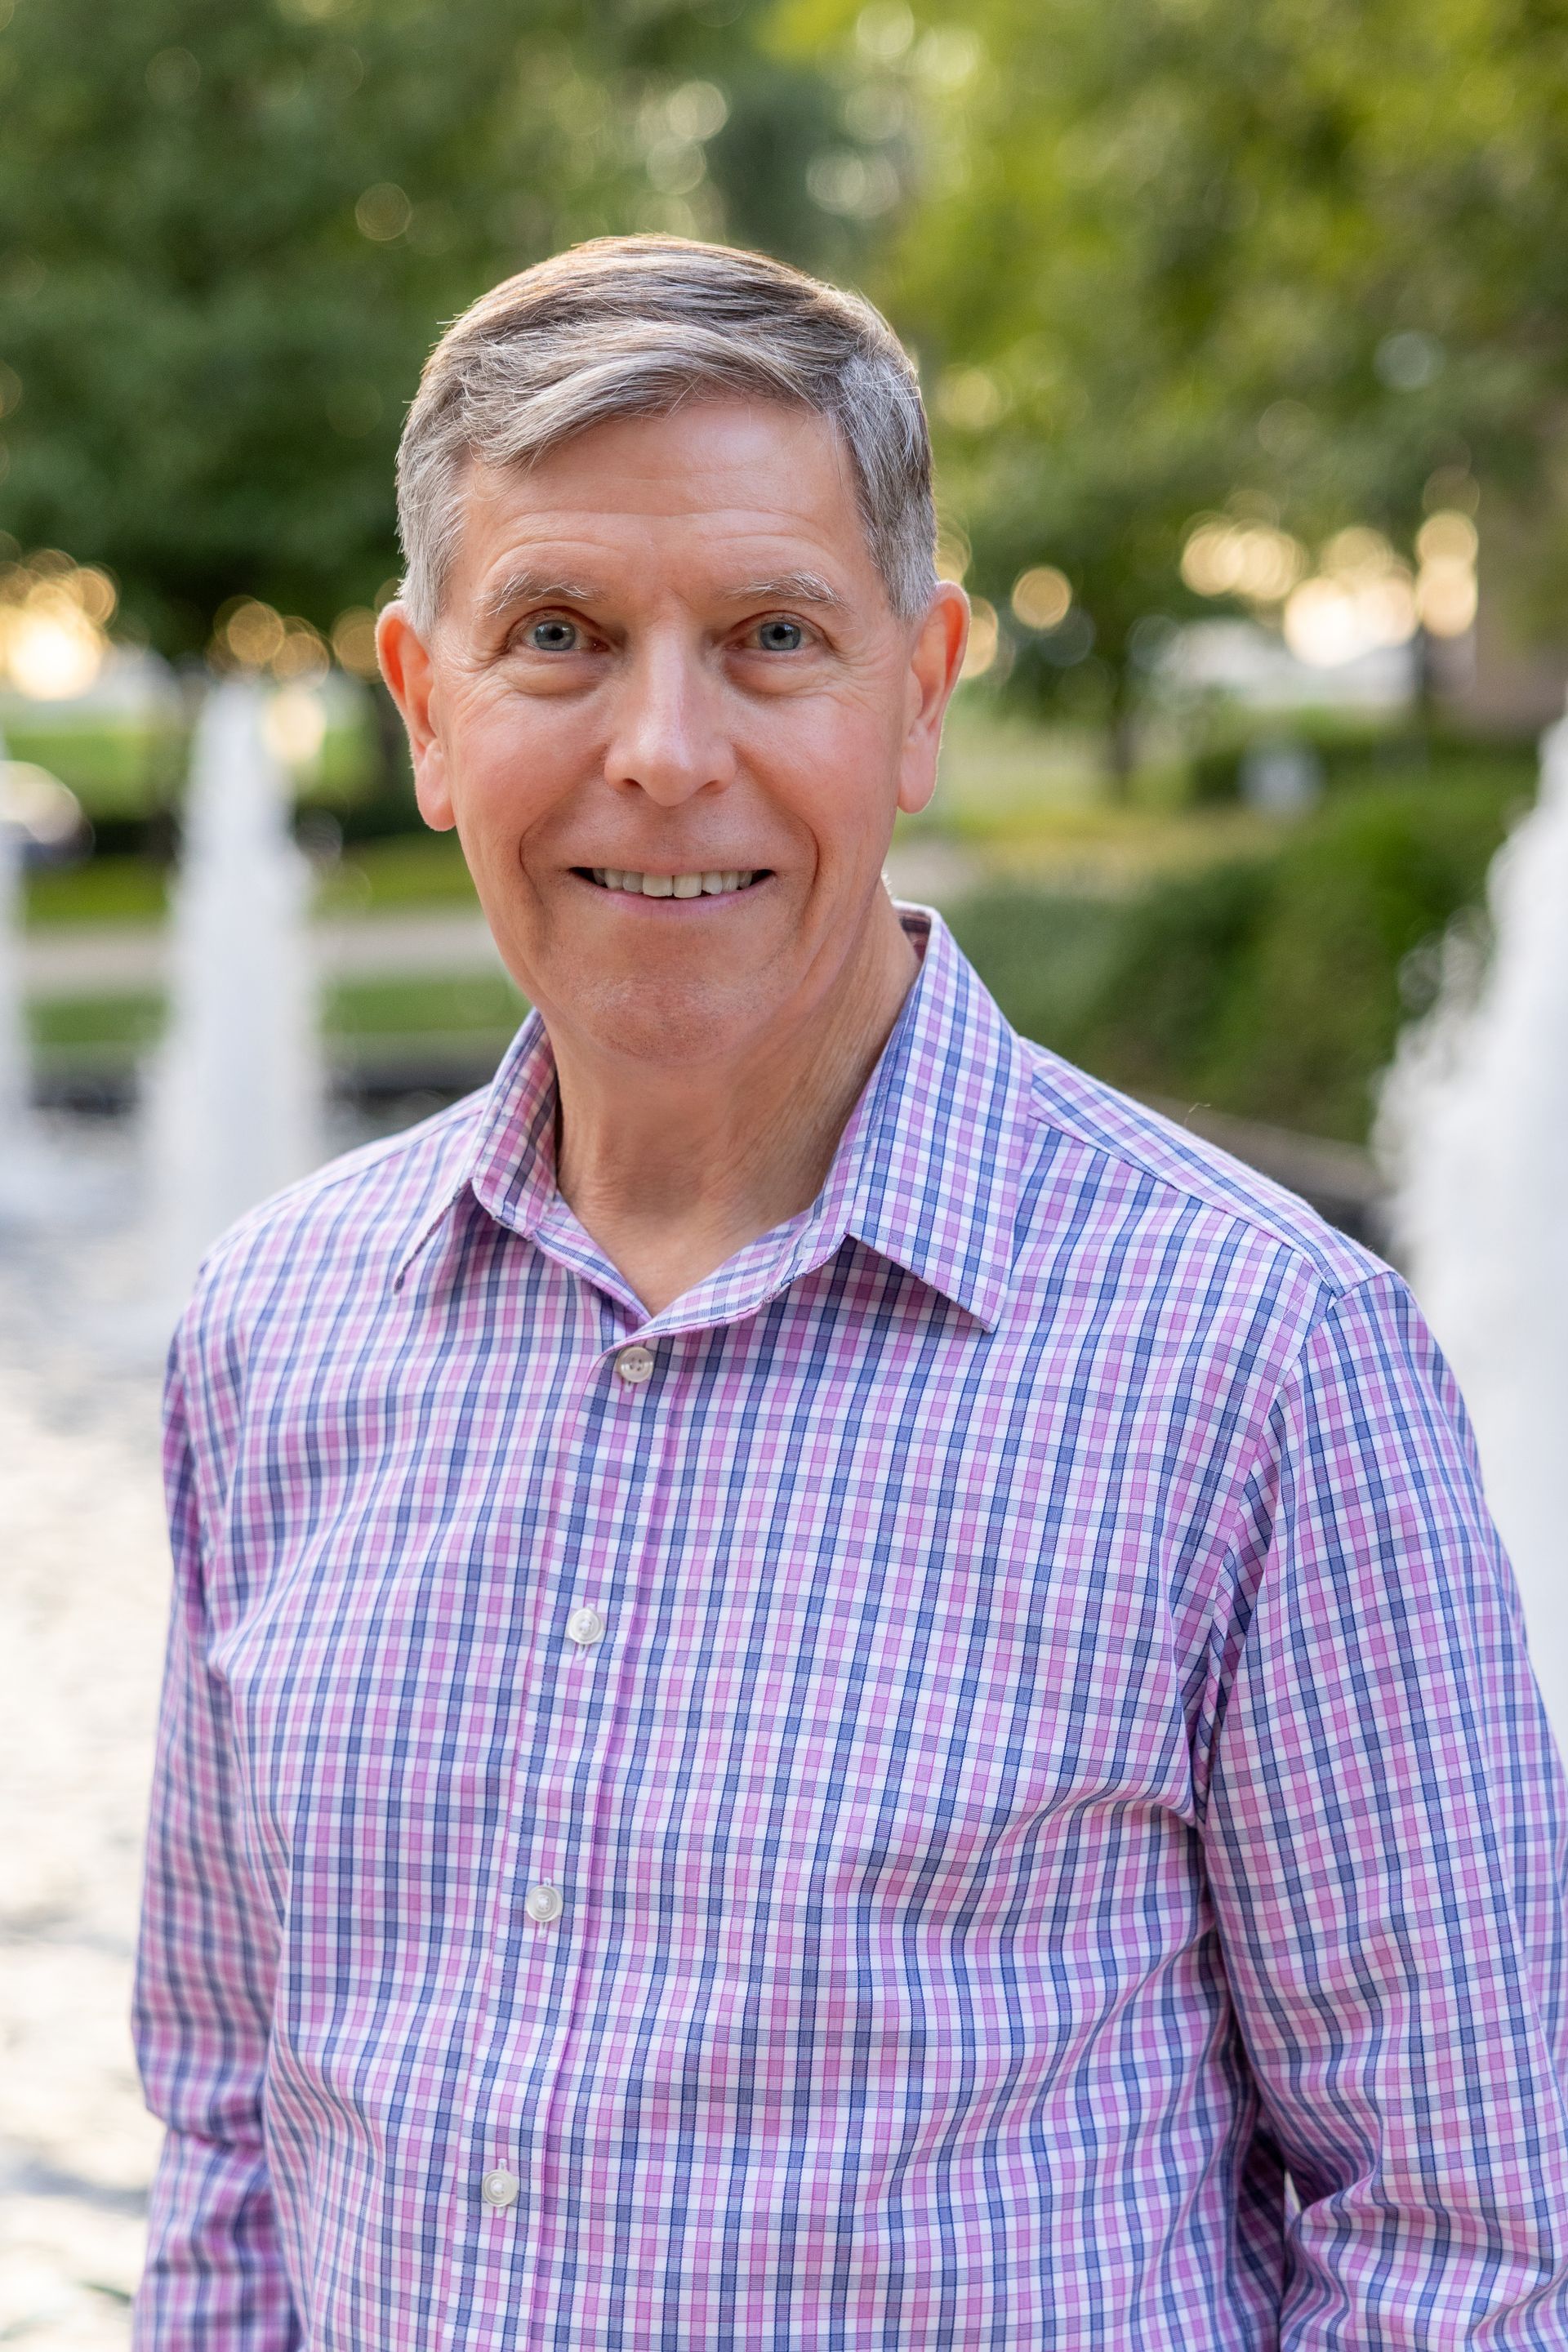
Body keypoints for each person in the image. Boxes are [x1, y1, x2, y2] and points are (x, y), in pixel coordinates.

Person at [132, 237, 1568, 2350]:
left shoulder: (1263, 1371)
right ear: (427, 709)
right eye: (557, 635)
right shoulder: (268, 1342)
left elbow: (1469, 2244)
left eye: (772, 636)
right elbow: (231, 2152)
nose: (661, 748)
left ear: (922, 690)